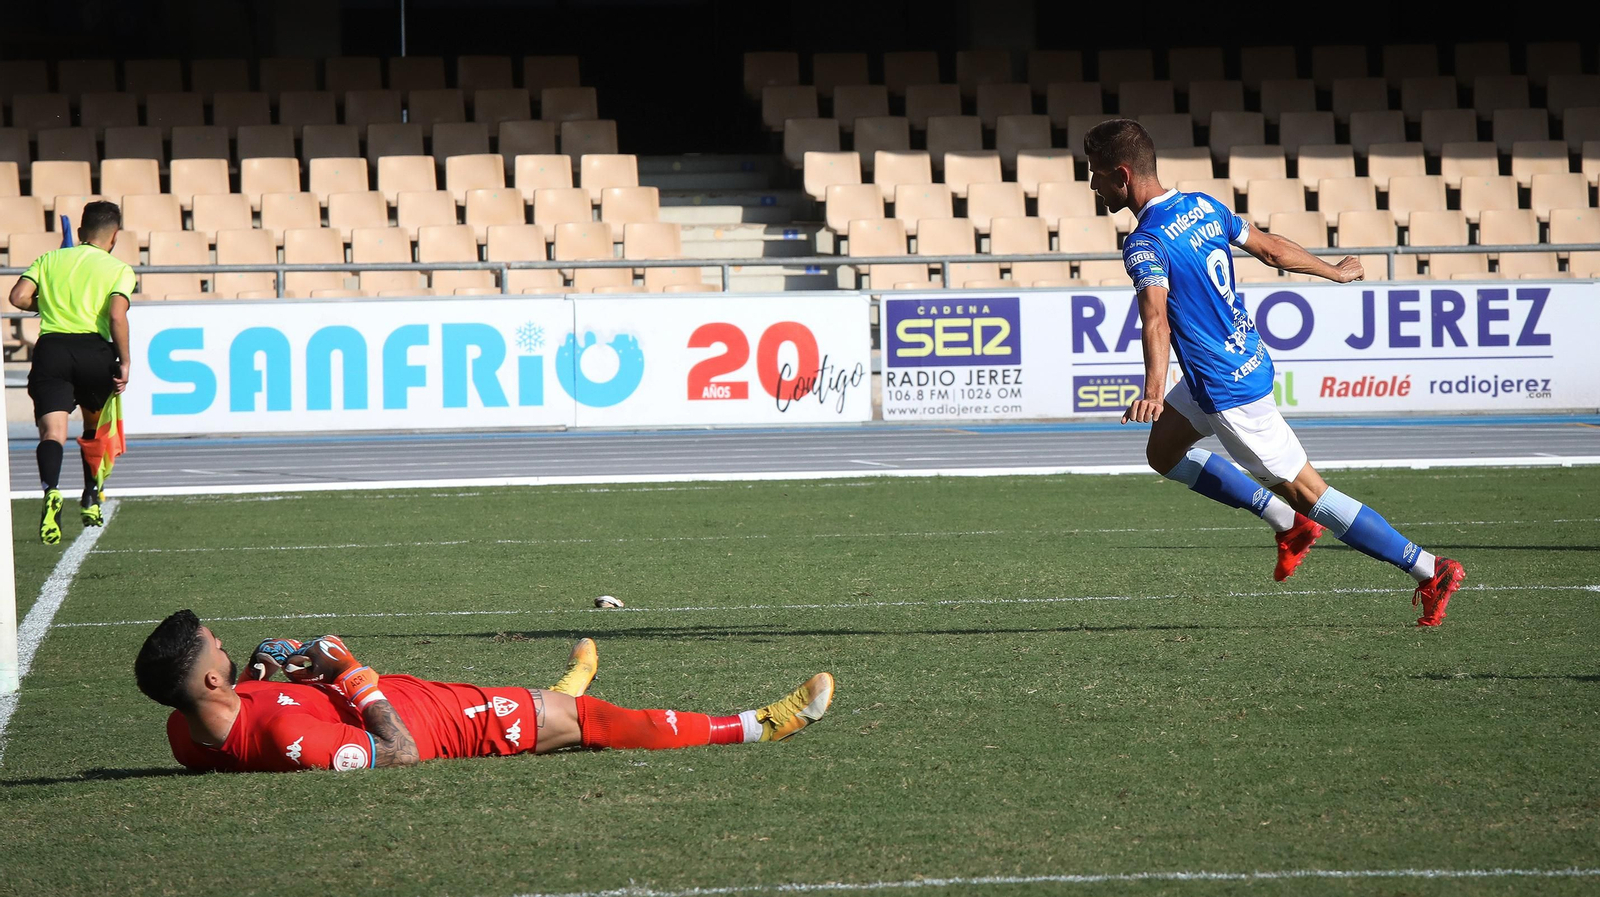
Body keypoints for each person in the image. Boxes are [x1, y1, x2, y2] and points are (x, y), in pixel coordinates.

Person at [1083, 119, 1465, 626]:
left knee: (1312, 494)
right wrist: (1333, 270)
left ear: (1122, 175)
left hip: (1227, 389)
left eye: (1095, 174)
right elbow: (1268, 247)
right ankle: (1287, 524)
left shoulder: (1146, 243)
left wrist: (1154, 389)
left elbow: (1155, 318)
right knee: (1163, 452)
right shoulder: (1201, 205)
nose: (1092, 185)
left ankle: (1428, 568)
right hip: (1234, 361)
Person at [134, 610, 835, 772]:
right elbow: (398, 752)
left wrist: (269, 667)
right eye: (219, 646)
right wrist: (349, 672)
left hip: (423, 694)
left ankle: (563, 684)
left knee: (551, 702)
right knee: (593, 720)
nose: (227, 643)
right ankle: (760, 723)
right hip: (448, 727)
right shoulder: (290, 740)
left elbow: (240, 717)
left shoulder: (184, 731)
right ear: (209, 677)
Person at [8, 200, 134, 543]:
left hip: (52, 351)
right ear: (115, 236)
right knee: (94, 428)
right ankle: (91, 496)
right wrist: (124, 361)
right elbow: (116, 316)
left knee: (52, 432)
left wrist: (45, 303)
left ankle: (51, 490)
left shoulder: (49, 259)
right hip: (94, 352)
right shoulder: (119, 269)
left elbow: (18, 297)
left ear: (80, 233)